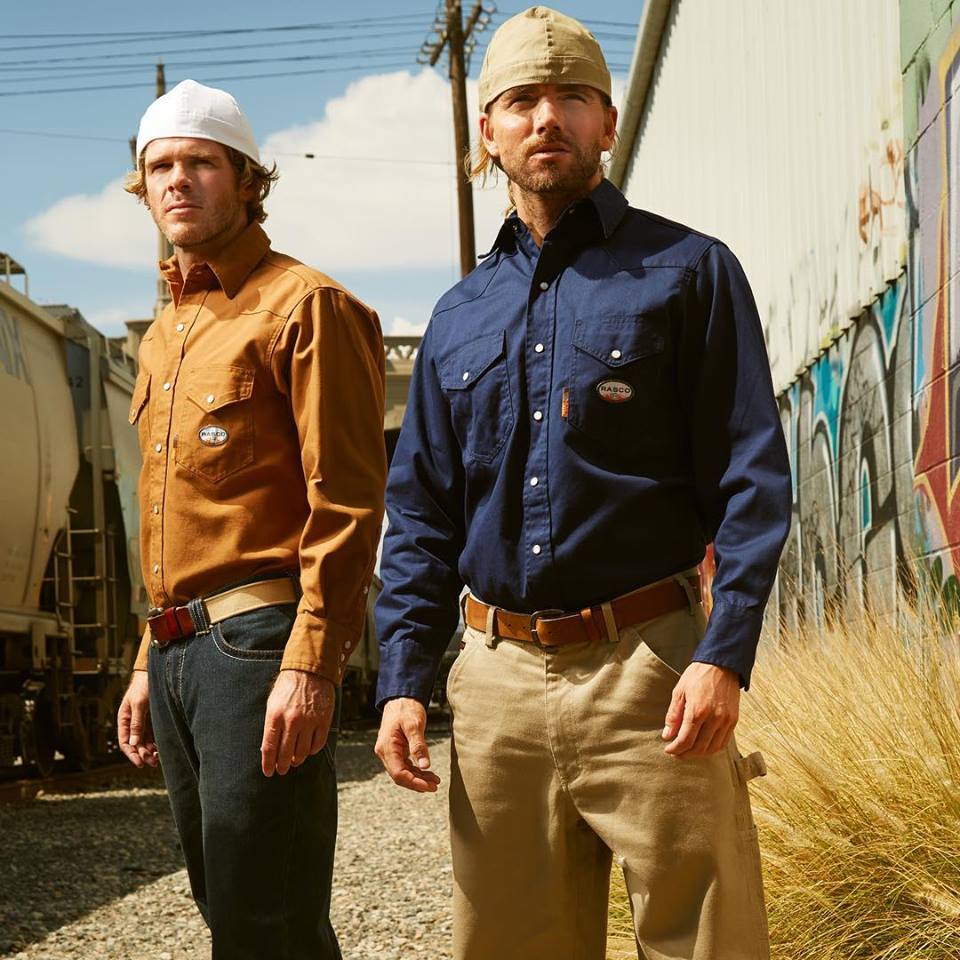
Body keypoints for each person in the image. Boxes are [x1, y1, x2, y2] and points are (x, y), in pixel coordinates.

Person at [373, 7, 791, 959]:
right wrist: (402, 679)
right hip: (497, 686)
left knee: (708, 944)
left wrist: (721, 655)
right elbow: (423, 515)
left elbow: (754, 478)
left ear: (607, 123)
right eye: (520, 100)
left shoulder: (690, 272)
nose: (545, 118)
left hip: (652, 671)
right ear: (488, 133)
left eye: (572, 98)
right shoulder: (457, 315)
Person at [115, 79, 386, 959]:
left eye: (201, 163)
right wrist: (145, 659)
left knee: (267, 917)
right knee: (231, 911)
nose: (178, 181)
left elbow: (346, 498)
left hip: (256, 646)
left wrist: (313, 662)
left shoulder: (305, 305)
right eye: (161, 166)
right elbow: (170, 516)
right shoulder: (165, 333)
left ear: (246, 180)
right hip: (180, 650)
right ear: (143, 186)